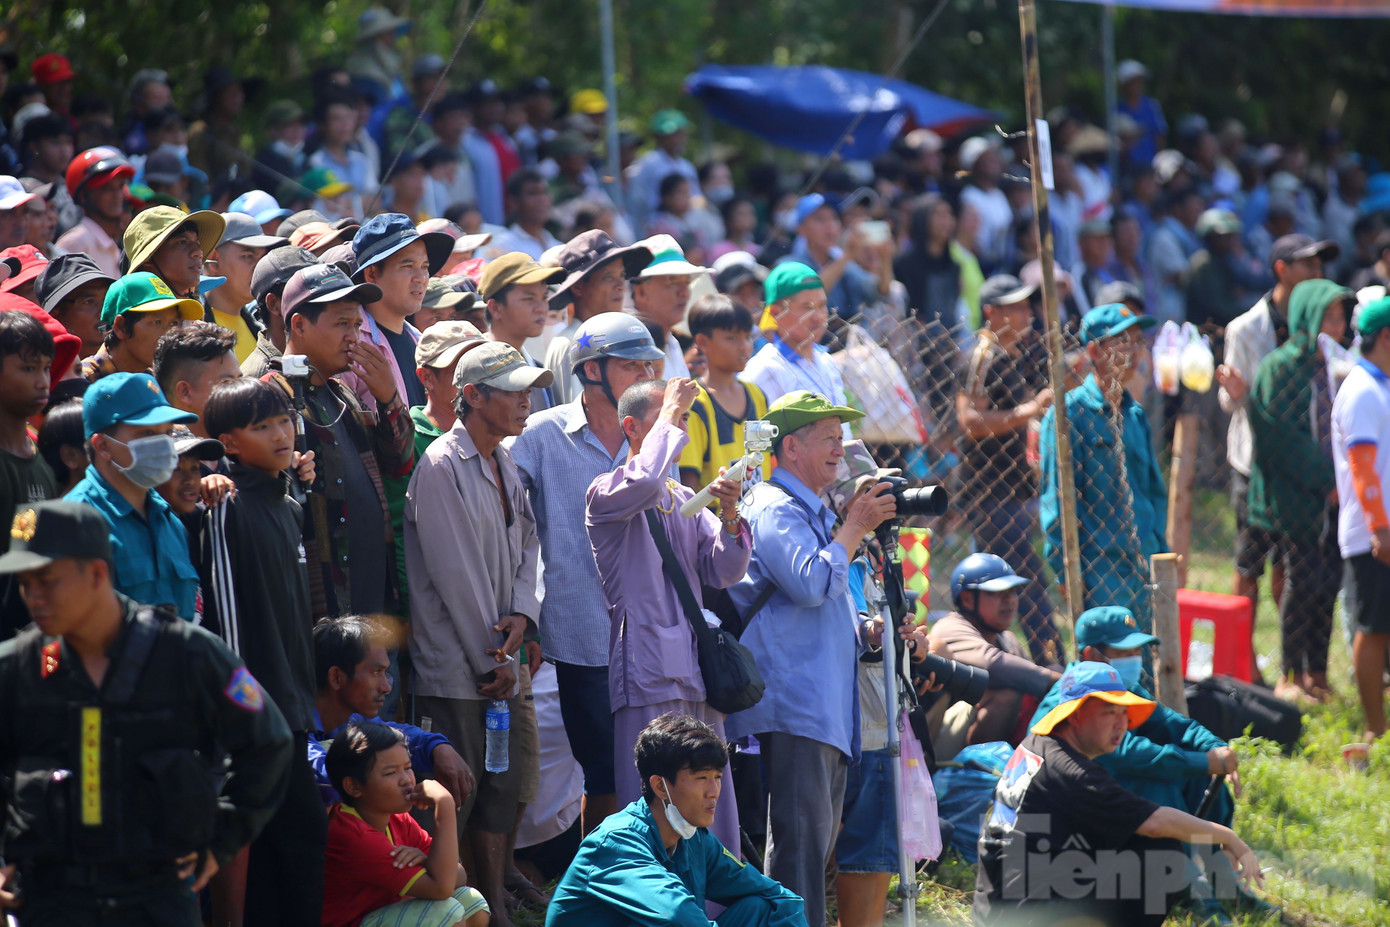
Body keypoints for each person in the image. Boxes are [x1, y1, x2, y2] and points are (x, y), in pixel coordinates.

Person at [0, 499, 294, 924]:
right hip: (50, 900)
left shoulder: (188, 653)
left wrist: (221, 838)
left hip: (156, 898)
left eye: (47, 580)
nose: (33, 598)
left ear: (97, 572)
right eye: (24, 584)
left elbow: (269, 742)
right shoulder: (17, 667)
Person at [724, 390, 896, 927]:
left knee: (815, 850)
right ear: (791, 447)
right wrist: (854, 527)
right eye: (827, 438)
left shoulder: (812, 510)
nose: (839, 451)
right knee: (798, 853)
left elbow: (830, 599)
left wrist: (865, 630)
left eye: (840, 439)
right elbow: (809, 583)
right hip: (795, 702)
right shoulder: (773, 507)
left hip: (823, 706)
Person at [405, 341, 548, 927]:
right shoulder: (441, 466)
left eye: (527, 389)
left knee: (505, 785)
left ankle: (490, 902)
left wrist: (523, 612)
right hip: (461, 672)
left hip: (499, 665)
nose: (525, 400)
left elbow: (530, 547)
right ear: (472, 395)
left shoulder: (504, 460)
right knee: (457, 799)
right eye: (512, 390)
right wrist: (496, 659)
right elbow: (455, 577)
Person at [509, 312, 664, 835]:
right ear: (591, 370)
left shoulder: (660, 433)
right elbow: (505, 521)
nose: (645, 374)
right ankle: (600, 891)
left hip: (652, 633)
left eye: (650, 364)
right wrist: (521, 608)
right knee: (601, 776)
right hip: (580, 633)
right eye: (630, 364)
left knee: (652, 773)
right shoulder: (541, 434)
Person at [585, 377, 749, 852]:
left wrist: (732, 513)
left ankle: (715, 912)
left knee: (709, 801)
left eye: (682, 420)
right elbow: (646, 480)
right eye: (670, 419)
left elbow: (725, 570)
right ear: (633, 427)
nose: (680, 428)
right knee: (653, 804)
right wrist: (675, 404)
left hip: (697, 671)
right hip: (649, 670)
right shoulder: (606, 490)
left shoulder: (683, 500)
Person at [974, 662, 1262, 927]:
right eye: (1108, 712)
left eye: (1124, 713)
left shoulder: (1039, 743)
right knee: (1162, 855)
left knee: (1136, 842)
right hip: (1020, 914)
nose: (1121, 723)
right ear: (1075, 716)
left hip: (1000, 903)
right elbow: (1156, 823)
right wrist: (1227, 836)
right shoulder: (1072, 772)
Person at [1028, 606, 1265, 923]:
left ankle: (1225, 881)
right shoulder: (1069, 698)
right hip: (1068, 840)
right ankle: (1190, 885)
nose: (1133, 657)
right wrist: (1201, 761)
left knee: (1201, 777)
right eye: (1122, 650)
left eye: (1136, 650)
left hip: (1105, 811)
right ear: (1090, 653)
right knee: (1157, 781)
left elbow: (1175, 724)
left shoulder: (1121, 689)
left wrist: (1216, 750)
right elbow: (1126, 753)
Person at [192, 377, 325, 925]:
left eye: (284, 420)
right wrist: (247, 711)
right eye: (261, 426)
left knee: (295, 844)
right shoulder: (226, 507)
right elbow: (227, 623)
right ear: (228, 442)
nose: (281, 434)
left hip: (293, 705)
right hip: (258, 712)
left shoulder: (288, 503)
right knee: (288, 842)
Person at [545, 713, 806, 927]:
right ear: (660, 786)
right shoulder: (616, 842)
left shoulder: (695, 839)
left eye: (717, 777)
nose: (714, 791)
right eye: (702, 777)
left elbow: (781, 900)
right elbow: (677, 918)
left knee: (763, 908)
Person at [263, 261, 412, 619]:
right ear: (298, 324)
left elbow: (399, 464)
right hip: (322, 608)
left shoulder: (343, 393)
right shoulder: (268, 396)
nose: (353, 336)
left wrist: (389, 397)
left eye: (357, 325)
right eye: (342, 324)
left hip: (374, 603)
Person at [1217, 233, 1337, 643]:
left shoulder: (1319, 326)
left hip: (1300, 463)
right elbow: (1228, 400)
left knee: (1292, 565)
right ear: (1281, 270)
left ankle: (1293, 654)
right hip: (1255, 464)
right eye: (1307, 264)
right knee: (1249, 565)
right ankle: (1241, 656)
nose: (1316, 272)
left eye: (1319, 265)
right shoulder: (1246, 329)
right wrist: (1238, 394)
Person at [1248, 279, 1350, 703]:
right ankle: (1289, 674)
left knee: (1328, 584)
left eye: (1341, 317)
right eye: (1327, 316)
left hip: (1335, 495)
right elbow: (1278, 436)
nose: (1336, 325)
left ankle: (1317, 673)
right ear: (1305, 316)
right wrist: (1325, 480)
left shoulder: (1335, 364)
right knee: (1301, 581)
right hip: (1294, 495)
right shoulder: (1280, 367)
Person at [1040, 304, 1166, 629]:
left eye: (1138, 341)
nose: (1134, 351)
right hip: (1101, 571)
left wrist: (1161, 553)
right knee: (1108, 670)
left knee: (1146, 670)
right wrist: (1067, 572)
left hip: (1146, 567)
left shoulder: (1135, 415)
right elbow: (1057, 504)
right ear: (1095, 350)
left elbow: (1153, 491)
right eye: (1122, 342)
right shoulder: (1069, 416)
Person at [956, 275, 1060, 663]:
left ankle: (988, 654)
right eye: (1015, 307)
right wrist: (1030, 410)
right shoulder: (984, 355)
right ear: (991, 313)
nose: (1026, 313)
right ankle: (1050, 662)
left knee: (999, 584)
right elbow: (969, 419)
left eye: (1027, 305)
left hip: (1012, 490)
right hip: (990, 492)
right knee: (1026, 585)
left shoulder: (1015, 353)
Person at [65, 370, 204, 621]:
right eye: (148, 433)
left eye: (168, 433)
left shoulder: (169, 520)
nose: (164, 444)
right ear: (103, 446)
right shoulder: (77, 521)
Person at [322, 723, 491, 927]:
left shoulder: (395, 818)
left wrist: (427, 862)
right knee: (446, 912)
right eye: (391, 773)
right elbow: (442, 888)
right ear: (354, 786)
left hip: (380, 915)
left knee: (471, 902)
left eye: (408, 768)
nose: (406, 780)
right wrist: (445, 804)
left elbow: (459, 874)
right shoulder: (354, 835)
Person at [311, 616, 475, 805]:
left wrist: (438, 747)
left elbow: (389, 736)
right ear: (337, 678)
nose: (386, 687)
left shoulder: (352, 719)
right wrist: (439, 801)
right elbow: (327, 778)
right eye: (375, 672)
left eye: (385, 673)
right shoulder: (295, 730)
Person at [930, 554, 1061, 753]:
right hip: (937, 738)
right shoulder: (950, 627)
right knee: (1006, 693)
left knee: (1045, 680)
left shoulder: (1008, 639)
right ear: (967, 599)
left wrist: (1057, 677)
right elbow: (993, 665)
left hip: (981, 733)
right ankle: (974, 774)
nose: (1010, 600)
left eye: (1013, 591)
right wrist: (1064, 681)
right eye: (998, 591)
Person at [1332, 296, 1390, 741]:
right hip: (1373, 534)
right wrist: (1380, 528)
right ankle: (1375, 730)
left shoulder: (1381, 385)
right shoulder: (1363, 390)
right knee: (1373, 629)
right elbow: (1363, 468)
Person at [543, 230, 652, 404]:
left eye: (622, 276)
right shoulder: (570, 343)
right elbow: (582, 421)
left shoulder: (619, 337)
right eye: (608, 277)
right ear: (578, 287)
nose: (620, 286)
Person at [678, 294, 770, 494]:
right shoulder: (693, 402)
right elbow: (688, 486)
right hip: (716, 521)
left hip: (761, 515)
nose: (744, 346)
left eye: (747, 336)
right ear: (702, 342)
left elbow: (766, 458)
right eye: (732, 338)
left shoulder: (756, 394)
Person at [742, 262, 850, 419]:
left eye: (822, 305)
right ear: (776, 313)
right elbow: (755, 440)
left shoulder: (826, 361)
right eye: (807, 307)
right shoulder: (763, 371)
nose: (818, 317)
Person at [479, 251, 565, 414]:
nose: (541, 308)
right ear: (495, 308)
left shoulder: (540, 373)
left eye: (544, 298)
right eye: (529, 299)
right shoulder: (475, 370)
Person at [79, 272, 204, 382]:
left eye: (173, 323)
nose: (170, 335)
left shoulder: (159, 383)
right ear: (121, 326)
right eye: (157, 322)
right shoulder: (83, 382)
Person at [205, 213, 287, 361]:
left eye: (262, 258)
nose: (259, 268)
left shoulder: (259, 330)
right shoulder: (190, 327)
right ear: (213, 260)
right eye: (248, 256)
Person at [631, 234, 709, 379]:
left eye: (686, 283)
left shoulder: (672, 342)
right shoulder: (629, 348)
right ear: (641, 292)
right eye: (672, 283)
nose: (684, 293)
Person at [151, 321, 242, 437]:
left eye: (239, 380)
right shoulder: (166, 452)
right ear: (185, 392)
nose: (240, 390)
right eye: (226, 383)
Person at [411, 320, 485, 459]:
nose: (477, 379)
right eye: (462, 370)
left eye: (481, 367)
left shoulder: (492, 431)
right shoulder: (409, 442)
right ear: (427, 377)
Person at [240, 244, 317, 378]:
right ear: (274, 304)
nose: (320, 300)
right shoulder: (257, 380)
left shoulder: (320, 360)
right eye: (303, 291)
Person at [54, 147, 133, 277]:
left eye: (120, 186)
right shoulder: (75, 243)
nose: (118, 195)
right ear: (83, 196)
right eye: (107, 188)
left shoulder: (109, 242)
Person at [122, 205, 225, 299]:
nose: (198, 252)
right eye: (182, 242)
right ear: (148, 260)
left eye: (198, 244)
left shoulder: (195, 318)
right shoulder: (131, 318)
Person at [625, 110, 700, 236]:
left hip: (687, 226)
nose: (678, 139)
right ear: (658, 136)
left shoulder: (688, 167)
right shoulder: (646, 164)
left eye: (680, 133)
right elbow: (637, 203)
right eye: (672, 134)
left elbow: (696, 199)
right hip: (654, 229)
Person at [35, 251, 113, 358]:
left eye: (107, 298)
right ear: (55, 314)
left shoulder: (133, 364)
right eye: (89, 301)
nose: (104, 311)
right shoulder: (44, 370)